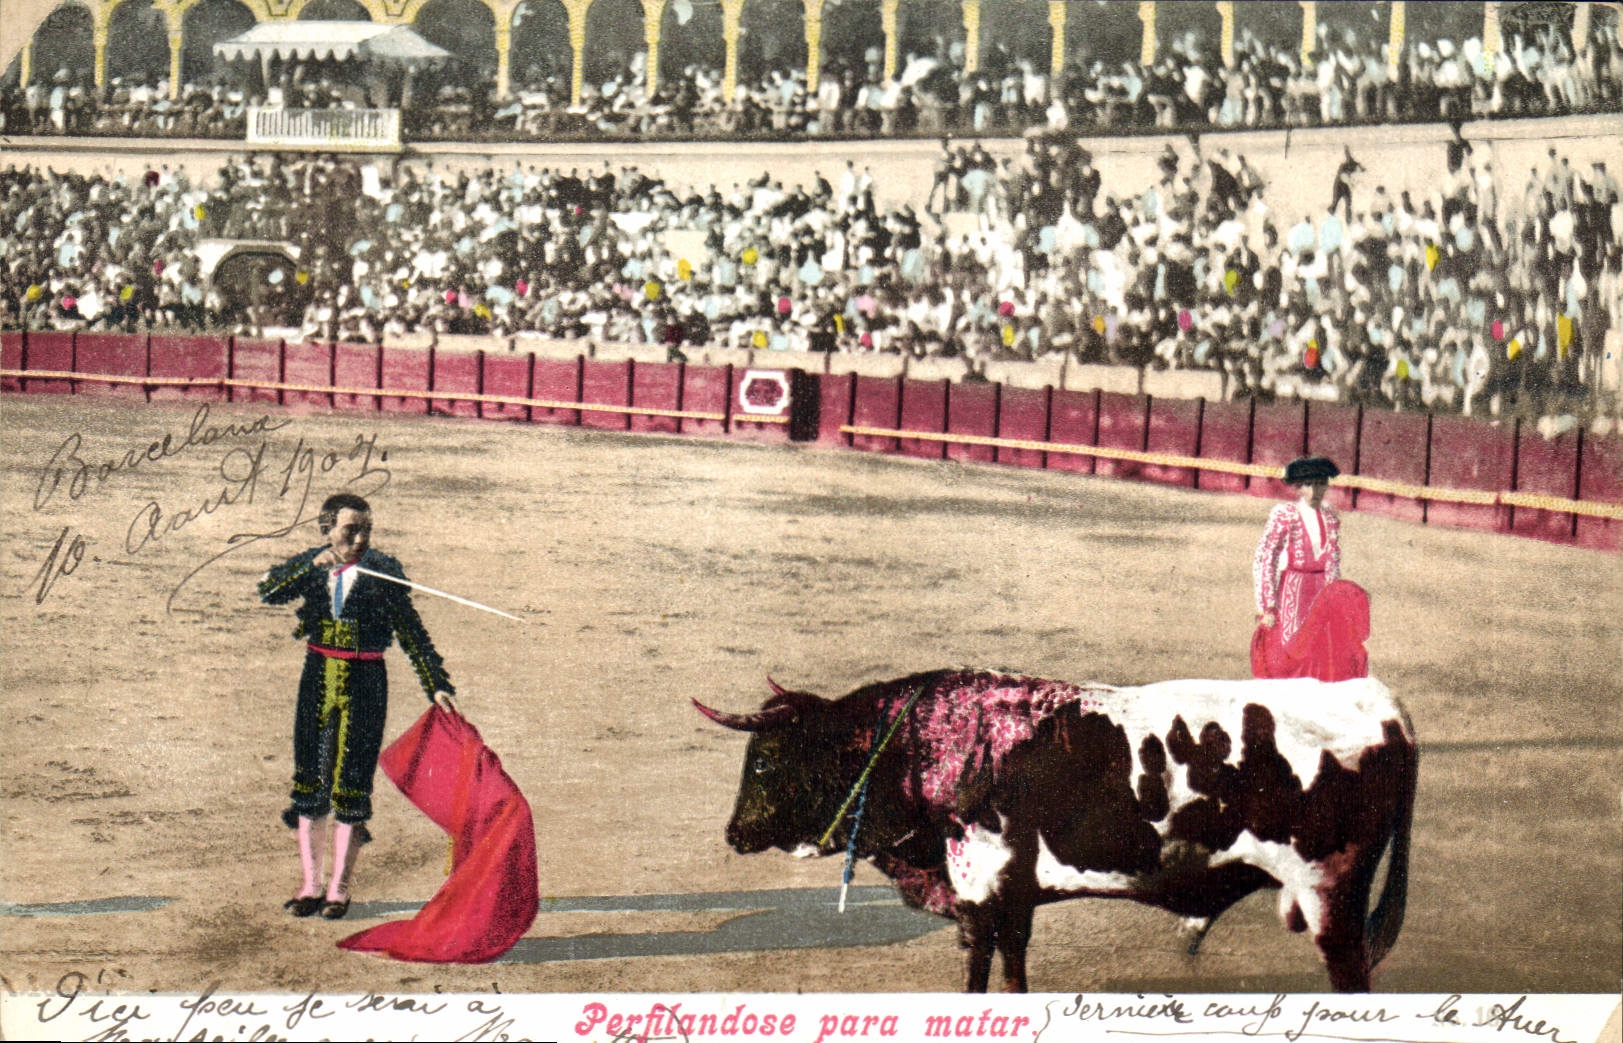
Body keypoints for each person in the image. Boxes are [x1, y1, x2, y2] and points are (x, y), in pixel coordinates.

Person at [258, 493, 457, 919]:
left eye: (367, 529)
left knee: (352, 783)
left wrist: (435, 684)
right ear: (326, 529)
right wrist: (308, 567)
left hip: (366, 682)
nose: (361, 538)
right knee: (309, 781)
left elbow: (410, 630)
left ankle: (339, 890)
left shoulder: (384, 571)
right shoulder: (312, 564)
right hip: (319, 677)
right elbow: (269, 590)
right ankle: (310, 886)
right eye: (351, 530)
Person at [1251, 456, 1369, 681]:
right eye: (1308, 484)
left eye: (1320, 483)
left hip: (1321, 591)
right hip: (1294, 590)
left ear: (1326, 484)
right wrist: (1267, 606)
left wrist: (1335, 597)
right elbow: (1266, 558)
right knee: (1290, 648)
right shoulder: (1285, 515)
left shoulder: (1330, 516)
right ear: (1297, 486)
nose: (1314, 490)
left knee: (1323, 649)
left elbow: (1333, 560)